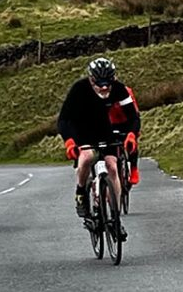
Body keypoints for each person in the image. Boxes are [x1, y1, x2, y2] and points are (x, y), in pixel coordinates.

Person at [57, 57, 138, 240]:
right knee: (86, 157)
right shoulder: (79, 89)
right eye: (99, 84)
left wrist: (131, 135)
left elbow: (133, 117)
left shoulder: (118, 89)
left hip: (104, 130)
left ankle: (115, 218)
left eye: (107, 84)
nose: (104, 88)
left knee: (112, 166)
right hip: (82, 130)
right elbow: (63, 120)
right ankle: (80, 193)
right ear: (91, 80)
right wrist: (69, 141)